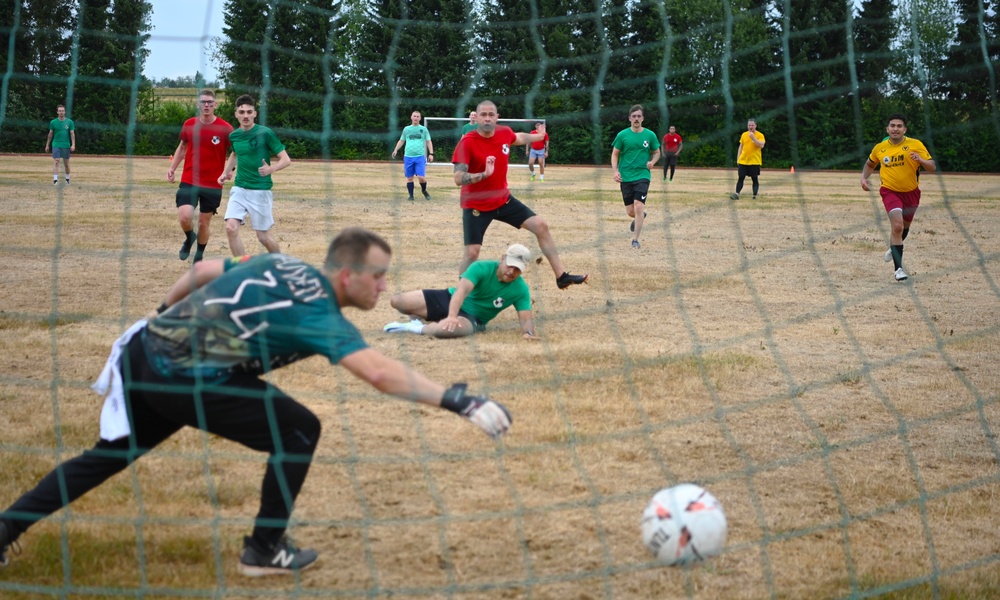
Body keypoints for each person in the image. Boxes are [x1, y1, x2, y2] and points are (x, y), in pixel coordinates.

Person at [0, 227, 512, 576]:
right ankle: (263, 550)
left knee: (107, 457)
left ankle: (7, 526)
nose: (384, 285)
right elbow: (379, 373)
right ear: (346, 275)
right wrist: (457, 401)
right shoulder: (320, 315)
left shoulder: (277, 261)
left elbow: (201, 275)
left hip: (142, 351)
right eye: (376, 276)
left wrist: (161, 317)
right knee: (300, 430)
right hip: (183, 375)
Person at [452, 100, 588, 290]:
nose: (487, 118)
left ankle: (561, 277)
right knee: (472, 253)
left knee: (541, 226)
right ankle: (461, 297)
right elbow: (458, 178)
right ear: (477, 117)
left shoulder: (503, 132)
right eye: (483, 114)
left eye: (491, 114)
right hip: (476, 205)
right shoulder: (467, 142)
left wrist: (538, 136)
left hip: (502, 200)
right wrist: (484, 174)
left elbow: (519, 137)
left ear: (497, 117)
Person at [384, 243, 537, 339]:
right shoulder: (481, 268)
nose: (512, 271)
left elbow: (526, 319)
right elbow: (461, 292)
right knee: (397, 301)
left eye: (518, 269)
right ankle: (426, 318)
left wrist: (528, 333)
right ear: (503, 258)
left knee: (445, 331)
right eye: (510, 265)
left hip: (472, 318)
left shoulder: (521, 289)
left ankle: (413, 327)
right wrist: (451, 316)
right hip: (450, 298)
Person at [860, 113, 936, 282]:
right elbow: (870, 164)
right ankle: (899, 269)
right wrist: (863, 178)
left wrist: (921, 159)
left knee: (904, 227)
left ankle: (894, 247)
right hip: (889, 191)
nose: (895, 129)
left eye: (899, 126)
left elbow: (932, 167)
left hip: (911, 193)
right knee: (897, 226)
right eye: (892, 126)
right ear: (887, 129)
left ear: (904, 129)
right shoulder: (880, 147)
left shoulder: (915, 144)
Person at [217, 94, 291, 256]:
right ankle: (242, 267)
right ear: (236, 114)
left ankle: (279, 263)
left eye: (249, 112)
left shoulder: (265, 133)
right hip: (240, 188)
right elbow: (235, 154)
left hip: (260, 191)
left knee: (263, 237)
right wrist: (225, 172)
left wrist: (271, 169)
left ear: (255, 114)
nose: (245, 116)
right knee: (230, 228)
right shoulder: (234, 136)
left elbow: (286, 159)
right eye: (242, 112)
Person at [167, 89, 234, 262]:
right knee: (185, 217)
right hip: (190, 180)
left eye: (210, 102)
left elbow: (236, 152)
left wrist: (229, 172)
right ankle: (190, 237)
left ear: (215, 105)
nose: (206, 105)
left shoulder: (226, 129)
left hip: (213, 184)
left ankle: (199, 254)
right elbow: (182, 147)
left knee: (204, 223)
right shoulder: (189, 124)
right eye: (203, 102)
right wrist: (173, 168)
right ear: (198, 104)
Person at [611, 104, 660, 250]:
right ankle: (641, 216)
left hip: (642, 175)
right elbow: (615, 154)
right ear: (629, 119)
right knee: (631, 211)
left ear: (643, 118)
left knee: (638, 206)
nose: (636, 119)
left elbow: (657, 152)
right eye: (634, 116)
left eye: (639, 116)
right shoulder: (622, 135)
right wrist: (615, 171)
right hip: (626, 176)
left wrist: (652, 161)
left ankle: (635, 240)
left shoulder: (650, 135)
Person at [391, 110, 434, 201]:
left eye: (418, 116)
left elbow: (428, 141)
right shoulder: (406, 129)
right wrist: (395, 150)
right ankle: (411, 196)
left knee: (421, 177)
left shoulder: (423, 129)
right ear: (411, 117)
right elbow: (402, 140)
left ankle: (424, 190)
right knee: (409, 178)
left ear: (420, 118)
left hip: (420, 157)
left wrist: (431, 153)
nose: (416, 118)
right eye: (414, 116)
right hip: (408, 157)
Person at [730, 119, 765, 200]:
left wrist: (753, 138)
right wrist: (738, 158)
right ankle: (737, 194)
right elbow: (741, 146)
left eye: (752, 125)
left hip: (754, 161)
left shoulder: (760, 135)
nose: (751, 127)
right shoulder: (744, 135)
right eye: (749, 125)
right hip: (743, 161)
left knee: (754, 178)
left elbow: (761, 145)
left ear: (756, 126)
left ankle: (754, 195)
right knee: (741, 177)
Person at [45, 104, 75, 185]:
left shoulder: (69, 122)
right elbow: (50, 134)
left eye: (62, 111)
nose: (61, 112)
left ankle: (67, 179)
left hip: (66, 145)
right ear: (57, 112)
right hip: (56, 144)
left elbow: (72, 134)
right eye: (60, 111)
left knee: (66, 163)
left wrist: (73, 145)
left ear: (65, 112)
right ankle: (55, 180)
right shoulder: (53, 122)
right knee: (56, 161)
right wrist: (47, 145)